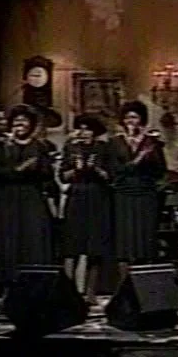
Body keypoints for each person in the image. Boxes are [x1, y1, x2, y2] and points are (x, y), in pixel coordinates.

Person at [0, 104, 55, 291]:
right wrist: (18, 169)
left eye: (24, 121)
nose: (20, 124)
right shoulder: (1, 145)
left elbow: (47, 175)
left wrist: (36, 169)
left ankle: (33, 285)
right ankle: (7, 285)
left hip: (30, 198)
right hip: (6, 198)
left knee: (32, 240)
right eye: (17, 121)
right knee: (7, 239)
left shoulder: (39, 146)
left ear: (31, 124)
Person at [108, 101, 167, 286]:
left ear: (141, 119)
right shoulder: (115, 142)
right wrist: (138, 158)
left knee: (145, 239)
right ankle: (123, 287)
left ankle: (145, 286)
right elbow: (114, 170)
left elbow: (160, 170)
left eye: (134, 117)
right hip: (124, 194)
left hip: (145, 193)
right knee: (125, 241)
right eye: (127, 117)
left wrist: (149, 154)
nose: (131, 121)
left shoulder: (152, 142)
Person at [59, 114, 112, 304]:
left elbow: (110, 177)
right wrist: (76, 169)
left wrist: (95, 169)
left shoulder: (104, 148)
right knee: (71, 247)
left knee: (94, 248)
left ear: (94, 131)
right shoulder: (71, 147)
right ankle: (68, 291)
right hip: (76, 197)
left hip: (97, 199)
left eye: (87, 128)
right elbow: (63, 176)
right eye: (80, 128)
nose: (83, 132)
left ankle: (91, 293)